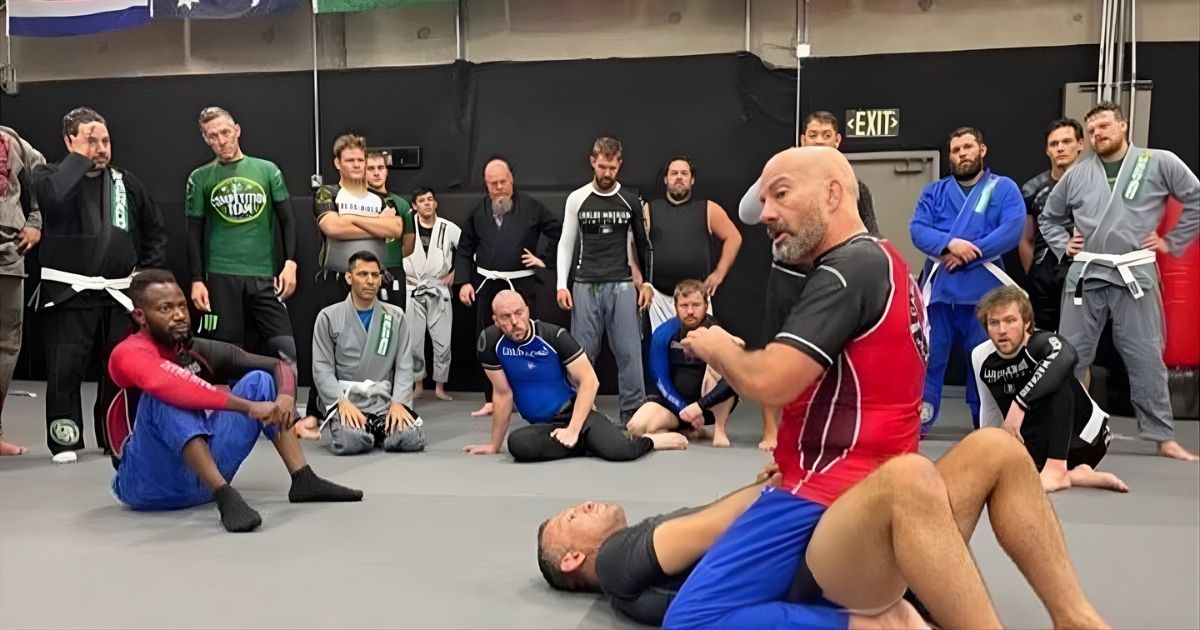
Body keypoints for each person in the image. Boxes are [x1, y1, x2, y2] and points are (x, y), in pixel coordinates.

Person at [662, 146, 1107, 630]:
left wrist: (716, 345)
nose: (766, 214)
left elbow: (773, 382)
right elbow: (848, 395)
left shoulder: (845, 270)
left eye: (781, 194)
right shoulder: (891, 263)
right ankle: (1077, 618)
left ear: (834, 194)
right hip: (888, 505)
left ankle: (878, 622)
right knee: (995, 449)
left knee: (690, 619)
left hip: (839, 504)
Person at [106, 270, 362, 533]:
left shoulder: (193, 348)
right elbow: (169, 384)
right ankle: (225, 496)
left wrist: (285, 396)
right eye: (165, 308)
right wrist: (249, 407)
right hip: (147, 484)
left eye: (182, 305)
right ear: (140, 316)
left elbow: (278, 365)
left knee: (261, 380)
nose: (180, 315)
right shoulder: (127, 353)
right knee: (167, 395)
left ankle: (303, 479)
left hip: (197, 481)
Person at [1040, 103, 1199, 461]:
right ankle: (1069, 430)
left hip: (1135, 272)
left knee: (1146, 355)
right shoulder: (1077, 175)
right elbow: (1049, 217)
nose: (1098, 134)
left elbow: (1196, 196)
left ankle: (1163, 436)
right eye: (1092, 130)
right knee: (1070, 356)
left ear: (1124, 126)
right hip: (1087, 271)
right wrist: (1062, 244)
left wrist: (1172, 242)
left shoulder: (1159, 162)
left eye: (1104, 126)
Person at [32, 107, 168, 463]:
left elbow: (154, 229)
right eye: (91, 140)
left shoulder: (126, 182)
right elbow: (54, 199)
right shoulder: (48, 175)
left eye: (105, 140)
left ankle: (113, 435)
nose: (101, 147)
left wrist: (145, 274)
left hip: (117, 293)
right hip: (68, 292)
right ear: (69, 141)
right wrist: (78, 159)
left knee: (119, 369)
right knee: (65, 368)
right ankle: (65, 439)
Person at [739, 110, 879, 452]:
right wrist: (777, 171)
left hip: (831, 279)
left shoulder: (853, 187)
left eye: (825, 135)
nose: (818, 141)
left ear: (837, 141)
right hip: (787, 277)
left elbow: (871, 233)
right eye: (811, 135)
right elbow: (747, 212)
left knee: (838, 355)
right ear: (802, 140)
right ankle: (771, 429)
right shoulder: (782, 178)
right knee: (774, 347)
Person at [463, 290, 684, 461]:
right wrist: (494, 445)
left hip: (576, 414)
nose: (514, 322)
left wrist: (572, 429)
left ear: (528, 310)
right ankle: (586, 444)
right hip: (545, 426)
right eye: (505, 317)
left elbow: (590, 380)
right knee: (519, 445)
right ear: (495, 320)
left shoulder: (554, 336)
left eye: (519, 313)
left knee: (621, 452)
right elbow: (502, 394)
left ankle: (650, 441)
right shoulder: (490, 342)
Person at [910, 126, 1024, 434]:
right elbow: (918, 229)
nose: (962, 154)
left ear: (982, 150)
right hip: (941, 293)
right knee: (930, 358)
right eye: (956, 150)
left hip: (985, 296)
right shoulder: (934, 192)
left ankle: (984, 422)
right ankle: (919, 420)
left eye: (968, 147)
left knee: (984, 363)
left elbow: (1012, 229)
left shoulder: (1003, 188)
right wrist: (949, 246)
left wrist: (968, 252)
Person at [972, 286, 1128, 493]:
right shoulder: (981, 356)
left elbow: (1067, 356)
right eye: (994, 323)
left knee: (1056, 372)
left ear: (1026, 323)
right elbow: (989, 408)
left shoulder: (1042, 343)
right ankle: (1075, 475)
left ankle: (1057, 469)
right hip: (1036, 448)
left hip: (1085, 442)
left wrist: (1020, 403)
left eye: (1010, 321)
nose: (1002, 330)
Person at [185, 107, 298, 367]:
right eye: (213, 136)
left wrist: (290, 263)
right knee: (225, 353)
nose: (221, 140)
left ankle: (287, 408)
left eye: (225, 132)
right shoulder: (200, 178)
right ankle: (230, 408)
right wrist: (196, 280)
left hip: (264, 274)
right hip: (222, 276)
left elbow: (288, 219)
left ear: (237, 130)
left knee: (286, 351)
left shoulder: (267, 170)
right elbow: (193, 233)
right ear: (205, 139)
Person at [556, 136, 654, 425]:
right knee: (581, 352)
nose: (607, 173)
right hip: (585, 282)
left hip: (621, 282)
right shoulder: (577, 198)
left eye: (612, 167)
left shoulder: (630, 199)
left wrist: (647, 282)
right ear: (592, 162)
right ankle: (580, 410)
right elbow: (565, 242)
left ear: (619, 164)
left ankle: (633, 413)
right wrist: (562, 283)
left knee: (629, 350)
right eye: (602, 167)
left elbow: (644, 243)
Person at [454, 157, 561, 417]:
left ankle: (527, 394)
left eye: (503, 181)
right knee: (489, 340)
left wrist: (544, 260)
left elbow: (559, 231)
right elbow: (465, 247)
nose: (499, 187)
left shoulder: (532, 207)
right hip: (487, 285)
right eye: (493, 183)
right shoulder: (479, 211)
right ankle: (492, 397)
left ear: (511, 181)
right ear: (486, 185)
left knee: (526, 339)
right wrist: (464, 281)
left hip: (521, 284)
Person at [305, 251, 424, 455]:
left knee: (410, 438)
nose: (370, 281)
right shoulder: (328, 317)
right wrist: (340, 402)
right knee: (350, 442)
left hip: (382, 401)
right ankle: (368, 429)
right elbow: (322, 369)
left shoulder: (395, 317)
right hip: (347, 400)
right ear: (349, 277)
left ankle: (376, 426)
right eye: (362, 274)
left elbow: (405, 366)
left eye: (375, 275)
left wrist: (399, 403)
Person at [626, 279, 739, 447]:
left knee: (721, 369)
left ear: (706, 305)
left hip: (707, 408)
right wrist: (682, 409)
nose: (690, 311)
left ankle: (719, 429)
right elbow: (660, 379)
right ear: (676, 307)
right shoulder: (664, 333)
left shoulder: (717, 333)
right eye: (684, 306)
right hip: (676, 408)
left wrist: (699, 407)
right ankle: (679, 436)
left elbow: (733, 381)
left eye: (696, 305)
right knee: (635, 427)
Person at [644, 156, 742, 330]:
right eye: (674, 173)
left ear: (692, 179)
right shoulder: (649, 209)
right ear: (666, 179)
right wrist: (641, 283)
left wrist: (719, 273)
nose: (679, 177)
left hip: (697, 299)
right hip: (659, 298)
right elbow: (631, 244)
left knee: (702, 352)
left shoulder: (709, 209)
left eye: (684, 173)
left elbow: (734, 237)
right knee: (661, 348)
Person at [312, 134, 405, 309]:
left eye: (360, 160)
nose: (356, 164)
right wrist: (378, 225)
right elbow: (333, 228)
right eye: (350, 160)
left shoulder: (379, 199)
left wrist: (351, 218)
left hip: (375, 282)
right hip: (338, 281)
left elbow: (396, 228)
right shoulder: (327, 193)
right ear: (338, 163)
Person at [0, 125, 45, 457]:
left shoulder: (10, 138)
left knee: (5, 345)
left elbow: (44, 178)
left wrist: (35, 221)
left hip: (8, 253)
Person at [1019, 118, 1085, 332]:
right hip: (1044, 276)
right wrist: (1035, 272)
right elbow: (1025, 239)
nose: (1060, 148)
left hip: (1085, 272)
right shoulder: (1031, 189)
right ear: (1047, 150)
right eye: (1054, 144)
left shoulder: (1099, 185)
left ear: (1080, 144)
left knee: (1085, 339)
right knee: (1045, 340)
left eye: (1067, 141)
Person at [403, 187, 460, 402]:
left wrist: (455, 274)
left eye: (430, 199)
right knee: (414, 340)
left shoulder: (449, 228)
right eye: (421, 200)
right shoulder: (405, 226)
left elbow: (467, 251)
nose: (427, 203)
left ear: (435, 203)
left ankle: (439, 387)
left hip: (438, 288)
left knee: (443, 339)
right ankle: (417, 384)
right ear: (415, 206)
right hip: (412, 286)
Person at [365, 150, 416, 310]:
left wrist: (391, 257)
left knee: (394, 320)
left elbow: (409, 243)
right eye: (371, 168)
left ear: (387, 172)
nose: (376, 173)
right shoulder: (356, 203)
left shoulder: (401, 204)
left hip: (394, 270)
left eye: (380, 168)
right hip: (363, 270)